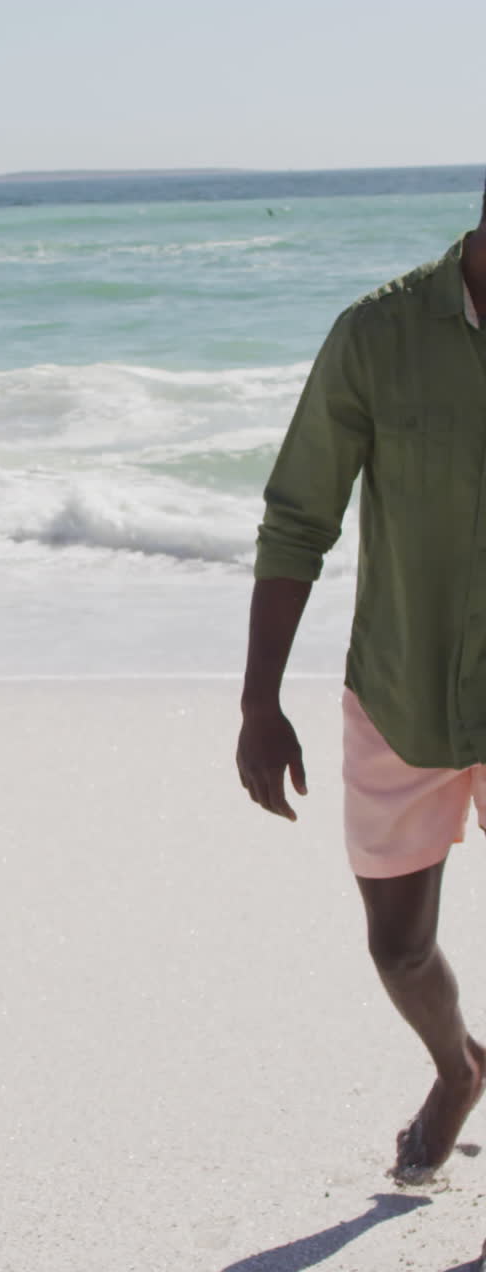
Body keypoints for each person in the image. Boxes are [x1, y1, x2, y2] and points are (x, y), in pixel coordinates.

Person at [236, 182, 486, 1184]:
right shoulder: (377, 334)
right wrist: (261, 698)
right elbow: (299, 514)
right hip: (402, 687)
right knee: (397, 948)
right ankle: (457, 1066)